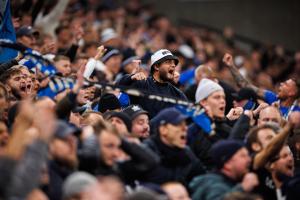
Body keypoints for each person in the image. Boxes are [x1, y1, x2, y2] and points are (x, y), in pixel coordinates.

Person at [223, 53, 300, 119]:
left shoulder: (297, 113)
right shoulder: (272, 97)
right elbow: (245, 85)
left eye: (286, 84)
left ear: (292, 92)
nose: (281, 84)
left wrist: (276, 111)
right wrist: (231, 66)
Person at [143, 107, 205, 185]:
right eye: (179, 124)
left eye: (185, 124)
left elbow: (203, 177)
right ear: (163, 130)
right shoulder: (147, 150)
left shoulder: (186, 152)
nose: (185, 128)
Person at [117, 49, 188, 118]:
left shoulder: (177, 94)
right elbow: (120, 87)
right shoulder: (143, 84)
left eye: (174, 63)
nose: (173, 65)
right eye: (168, 62)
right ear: (156, 66)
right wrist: (131, 77)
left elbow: (187, 115)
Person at [190, 139, 259, 200]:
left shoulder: (231, 182)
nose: (249, 159)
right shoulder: (215, 186)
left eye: (248, 155)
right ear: (227, 164)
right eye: (243, 156)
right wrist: (242, 188)